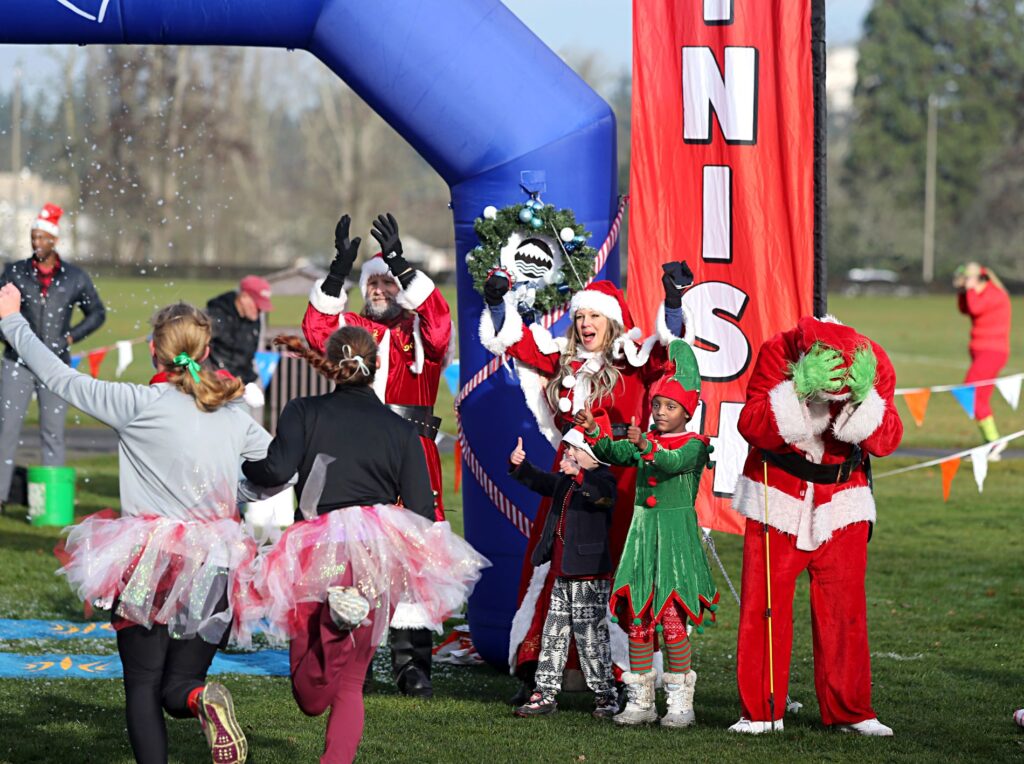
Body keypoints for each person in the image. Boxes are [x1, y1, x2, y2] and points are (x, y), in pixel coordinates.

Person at [0, 288, 272, 764]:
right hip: (216, 559)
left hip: (150, 559)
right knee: (179, 686)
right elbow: (278, 471)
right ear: (207, 352)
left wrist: (11, 321)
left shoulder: (135, 401)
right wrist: (240, 494)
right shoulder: (233, 413)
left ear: (153, 350)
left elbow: (58, 377)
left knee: (143, 686)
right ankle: (198, 698)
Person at [241, 326, 487, 764]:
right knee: (352, 683)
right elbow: (420, 509)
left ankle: (335, 625)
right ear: (376, 367)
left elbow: (275, 471)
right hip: (376, 554)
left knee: (310, 697)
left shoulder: (303, 410)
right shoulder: (400, 428)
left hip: (317, 548)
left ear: (333, 366)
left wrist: (242, 465)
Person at [480, 264, 693, 700]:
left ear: (611, 319)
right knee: (554, 569)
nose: (584, 324)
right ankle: (541, 671)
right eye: (580, 317)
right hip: (569, 478)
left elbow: (670, 350)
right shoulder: (563, 359)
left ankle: (622, 676)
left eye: (594, 316)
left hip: (619, 479)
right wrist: (496, 300)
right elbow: (515, 341)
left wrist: (673, 303)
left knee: (615, 572)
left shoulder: (632, 359)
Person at [303, 212, 454, 697]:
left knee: (416, 557)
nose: (382, 290)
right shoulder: (351, 330)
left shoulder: (420, 333)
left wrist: (401, 265)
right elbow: (315, 327)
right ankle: (356, 658)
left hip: (414, 452)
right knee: (357, 555)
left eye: (390, 284)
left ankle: (412, 663)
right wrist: (336, 273)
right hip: (361, 456)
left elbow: (440, 325)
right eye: (375, 284)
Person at [729, 316, 903, 736]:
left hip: (843, 503)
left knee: (845, 614)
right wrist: (794, 391)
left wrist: (866, 401)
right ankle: (763, 712)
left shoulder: (874, 359)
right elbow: (750, 424)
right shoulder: (778, 352)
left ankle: (852, 711)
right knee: (763, 609)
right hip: (777, 498)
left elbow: (887, 440)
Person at [577, 339, 719, 728]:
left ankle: (680, 703)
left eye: (669, 407)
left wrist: (645, 447)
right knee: (638, 620)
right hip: (642, 544)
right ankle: (640, 700)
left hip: (674, 544)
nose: (659, 412)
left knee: (672, 622)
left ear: (687, 412)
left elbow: (671, 462)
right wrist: (595, 434)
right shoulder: (648, 441)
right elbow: (617, 453)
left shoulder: (694, 446)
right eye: (657, 405)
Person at [0, 203, 105, 513]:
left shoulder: (74, 277)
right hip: (15, 362)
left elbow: (97, 312)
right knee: (6, 429)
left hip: (55, 364)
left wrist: (70, 337)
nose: (37, 242)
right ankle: (1, 496)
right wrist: (10, 336)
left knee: (53, 431)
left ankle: (49, 504)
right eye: (33, 236)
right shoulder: (15, 272)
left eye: (43, 237)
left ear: (54, 240)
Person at [508, 429, 619, 719]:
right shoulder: (565, 482)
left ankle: (606, 695)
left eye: (574, 450)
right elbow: (541, 481)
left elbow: (603, 497)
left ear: (591, 456)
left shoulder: (603, 480)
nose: (567, 454)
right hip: (562, 573)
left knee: (591, 638)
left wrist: (580, 477)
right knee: (553, 634)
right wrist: (520, 466)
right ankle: (544, 693)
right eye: (567, 449)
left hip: (589, 576)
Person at [953, 262, 1012, 458]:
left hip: (992, 352)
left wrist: (969, 289)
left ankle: (995, 441)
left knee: (969, 392)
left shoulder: (995, 294)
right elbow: (965, 309)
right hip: (981, 351)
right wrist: (963, 291)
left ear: (980, 279)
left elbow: (976, 308)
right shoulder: (979, 292)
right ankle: (990, 444)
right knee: (980, 398)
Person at [206, 274, 274, 409]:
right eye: (257, 304)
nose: (260, 310)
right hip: (215, 389)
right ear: (244, 297)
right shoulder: (215, 316)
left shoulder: (253, 319)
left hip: (241, 387)